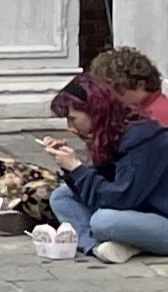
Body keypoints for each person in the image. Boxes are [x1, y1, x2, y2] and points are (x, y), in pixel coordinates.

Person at [38, 73, 168, 263]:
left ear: (94, 111)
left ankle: (127, 242)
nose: (70, 127)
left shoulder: (143, 138)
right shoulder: (111, 134)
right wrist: (69, 167)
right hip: (142, 212)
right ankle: (98, 247)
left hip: (160, 216)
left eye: (72, 119)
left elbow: (121, 197)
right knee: (61, 196)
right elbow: (105, 184)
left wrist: (76, 168)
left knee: (103, 221)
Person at [88, 44, 168, 131]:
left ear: (140, 85)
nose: (112, 97)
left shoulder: (155, 118)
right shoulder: (142, 112)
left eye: (117, 90)